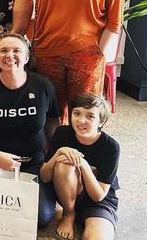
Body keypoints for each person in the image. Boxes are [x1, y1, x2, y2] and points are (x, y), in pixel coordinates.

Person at [0, 33, 61, 228]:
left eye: (16, 50)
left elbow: (53, 123)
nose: (9, 55)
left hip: (33, 162)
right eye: (3, 51)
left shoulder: (43, 86)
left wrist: (51, 155)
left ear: (27, 57)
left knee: (42, 217)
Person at [40, 93, 120, 240]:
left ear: (101, 122)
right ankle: (69, 214)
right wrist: (59, 152)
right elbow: (44, 177)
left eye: (90, 116)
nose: (81, 120)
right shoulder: (62, 133)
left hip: (98, 203)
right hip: (67, 195)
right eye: (77, 113)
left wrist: (83, 164)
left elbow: (98, 196)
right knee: (65, 163)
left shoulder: (111, 147)